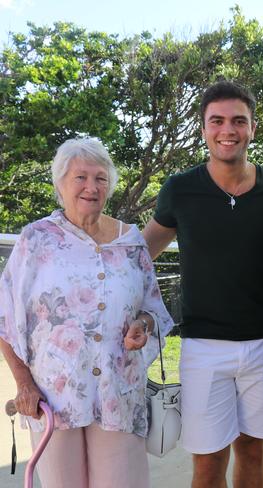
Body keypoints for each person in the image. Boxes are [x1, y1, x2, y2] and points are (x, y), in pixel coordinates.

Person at [143, 80, 263, 488]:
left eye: (237, 120)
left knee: (252, 449)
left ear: (252, 128)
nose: (227, 129)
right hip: (203, 348)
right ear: (203, 128)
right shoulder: (180, 189)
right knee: (208, 460)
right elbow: (140, 255)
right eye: (217, 120)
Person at [0, 137, 174, 488]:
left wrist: (141, 324)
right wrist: (23, 384)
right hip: (52, 396)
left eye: (100, 178)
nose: (91, 187)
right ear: (60, 183)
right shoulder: (37, 240)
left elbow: (153, 310)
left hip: (118, 394)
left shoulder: (132, 242)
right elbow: (4, 315)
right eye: (80, 177)